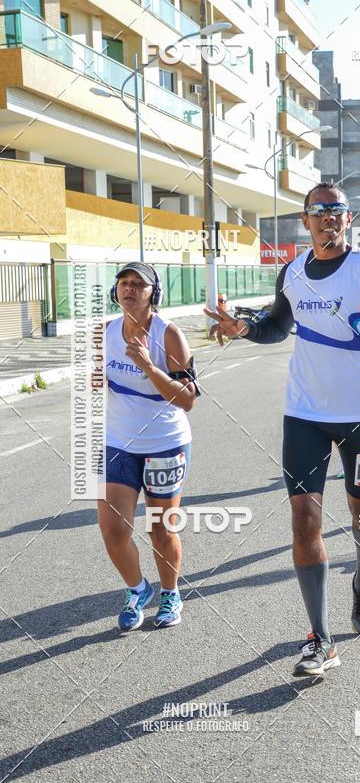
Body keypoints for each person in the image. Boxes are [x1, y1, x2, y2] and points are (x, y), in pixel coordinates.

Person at [205, 183, 360, 678]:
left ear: (349, 218)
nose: (327, 218)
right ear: (305, 220)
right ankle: (320, 639)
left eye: (336, 210)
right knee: (304, 521)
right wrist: (244, 329)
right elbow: (278, 326)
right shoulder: (293, 271)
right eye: (318, 211)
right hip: (303, 415)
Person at [99, 262, 200, 632]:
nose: (129, 289)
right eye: (123, 283)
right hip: (117, 443)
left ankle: (170, 592)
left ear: (152, 293)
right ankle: (137, 588)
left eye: (137, 284)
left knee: (161, 527)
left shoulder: (169, 335)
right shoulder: (105, 332)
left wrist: (148, 367)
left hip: (165, 443)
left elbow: (187, 399)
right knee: (113, 530)